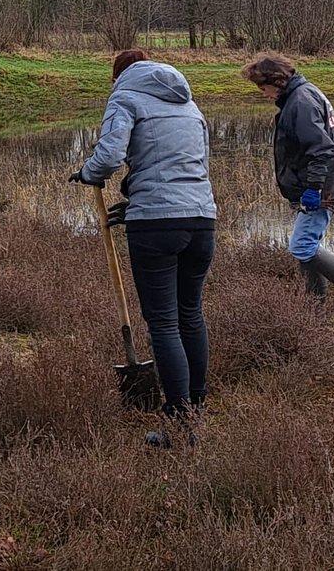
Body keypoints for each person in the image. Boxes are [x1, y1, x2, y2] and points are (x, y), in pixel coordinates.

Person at [69, 49, 216, 448]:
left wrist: (88, 173)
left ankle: (180, 423)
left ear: (118, 77)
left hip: (156, 226)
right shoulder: (189, 103)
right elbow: (192, 162)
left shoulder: (125, 97)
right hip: (202, 219)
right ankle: (197, 411)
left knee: (165, 323)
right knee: (191, 316)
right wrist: (134, 194)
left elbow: (110, 156)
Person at [240, 52, 334, 320]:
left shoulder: (300, 102)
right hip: (318, 186)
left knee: (302, 246)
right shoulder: (302, 94)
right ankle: (315, 312)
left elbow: (321, 149)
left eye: (262, 87)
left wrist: (313, 189)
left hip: (321, 190)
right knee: (306, 248)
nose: (263, 94)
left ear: (276, 81)